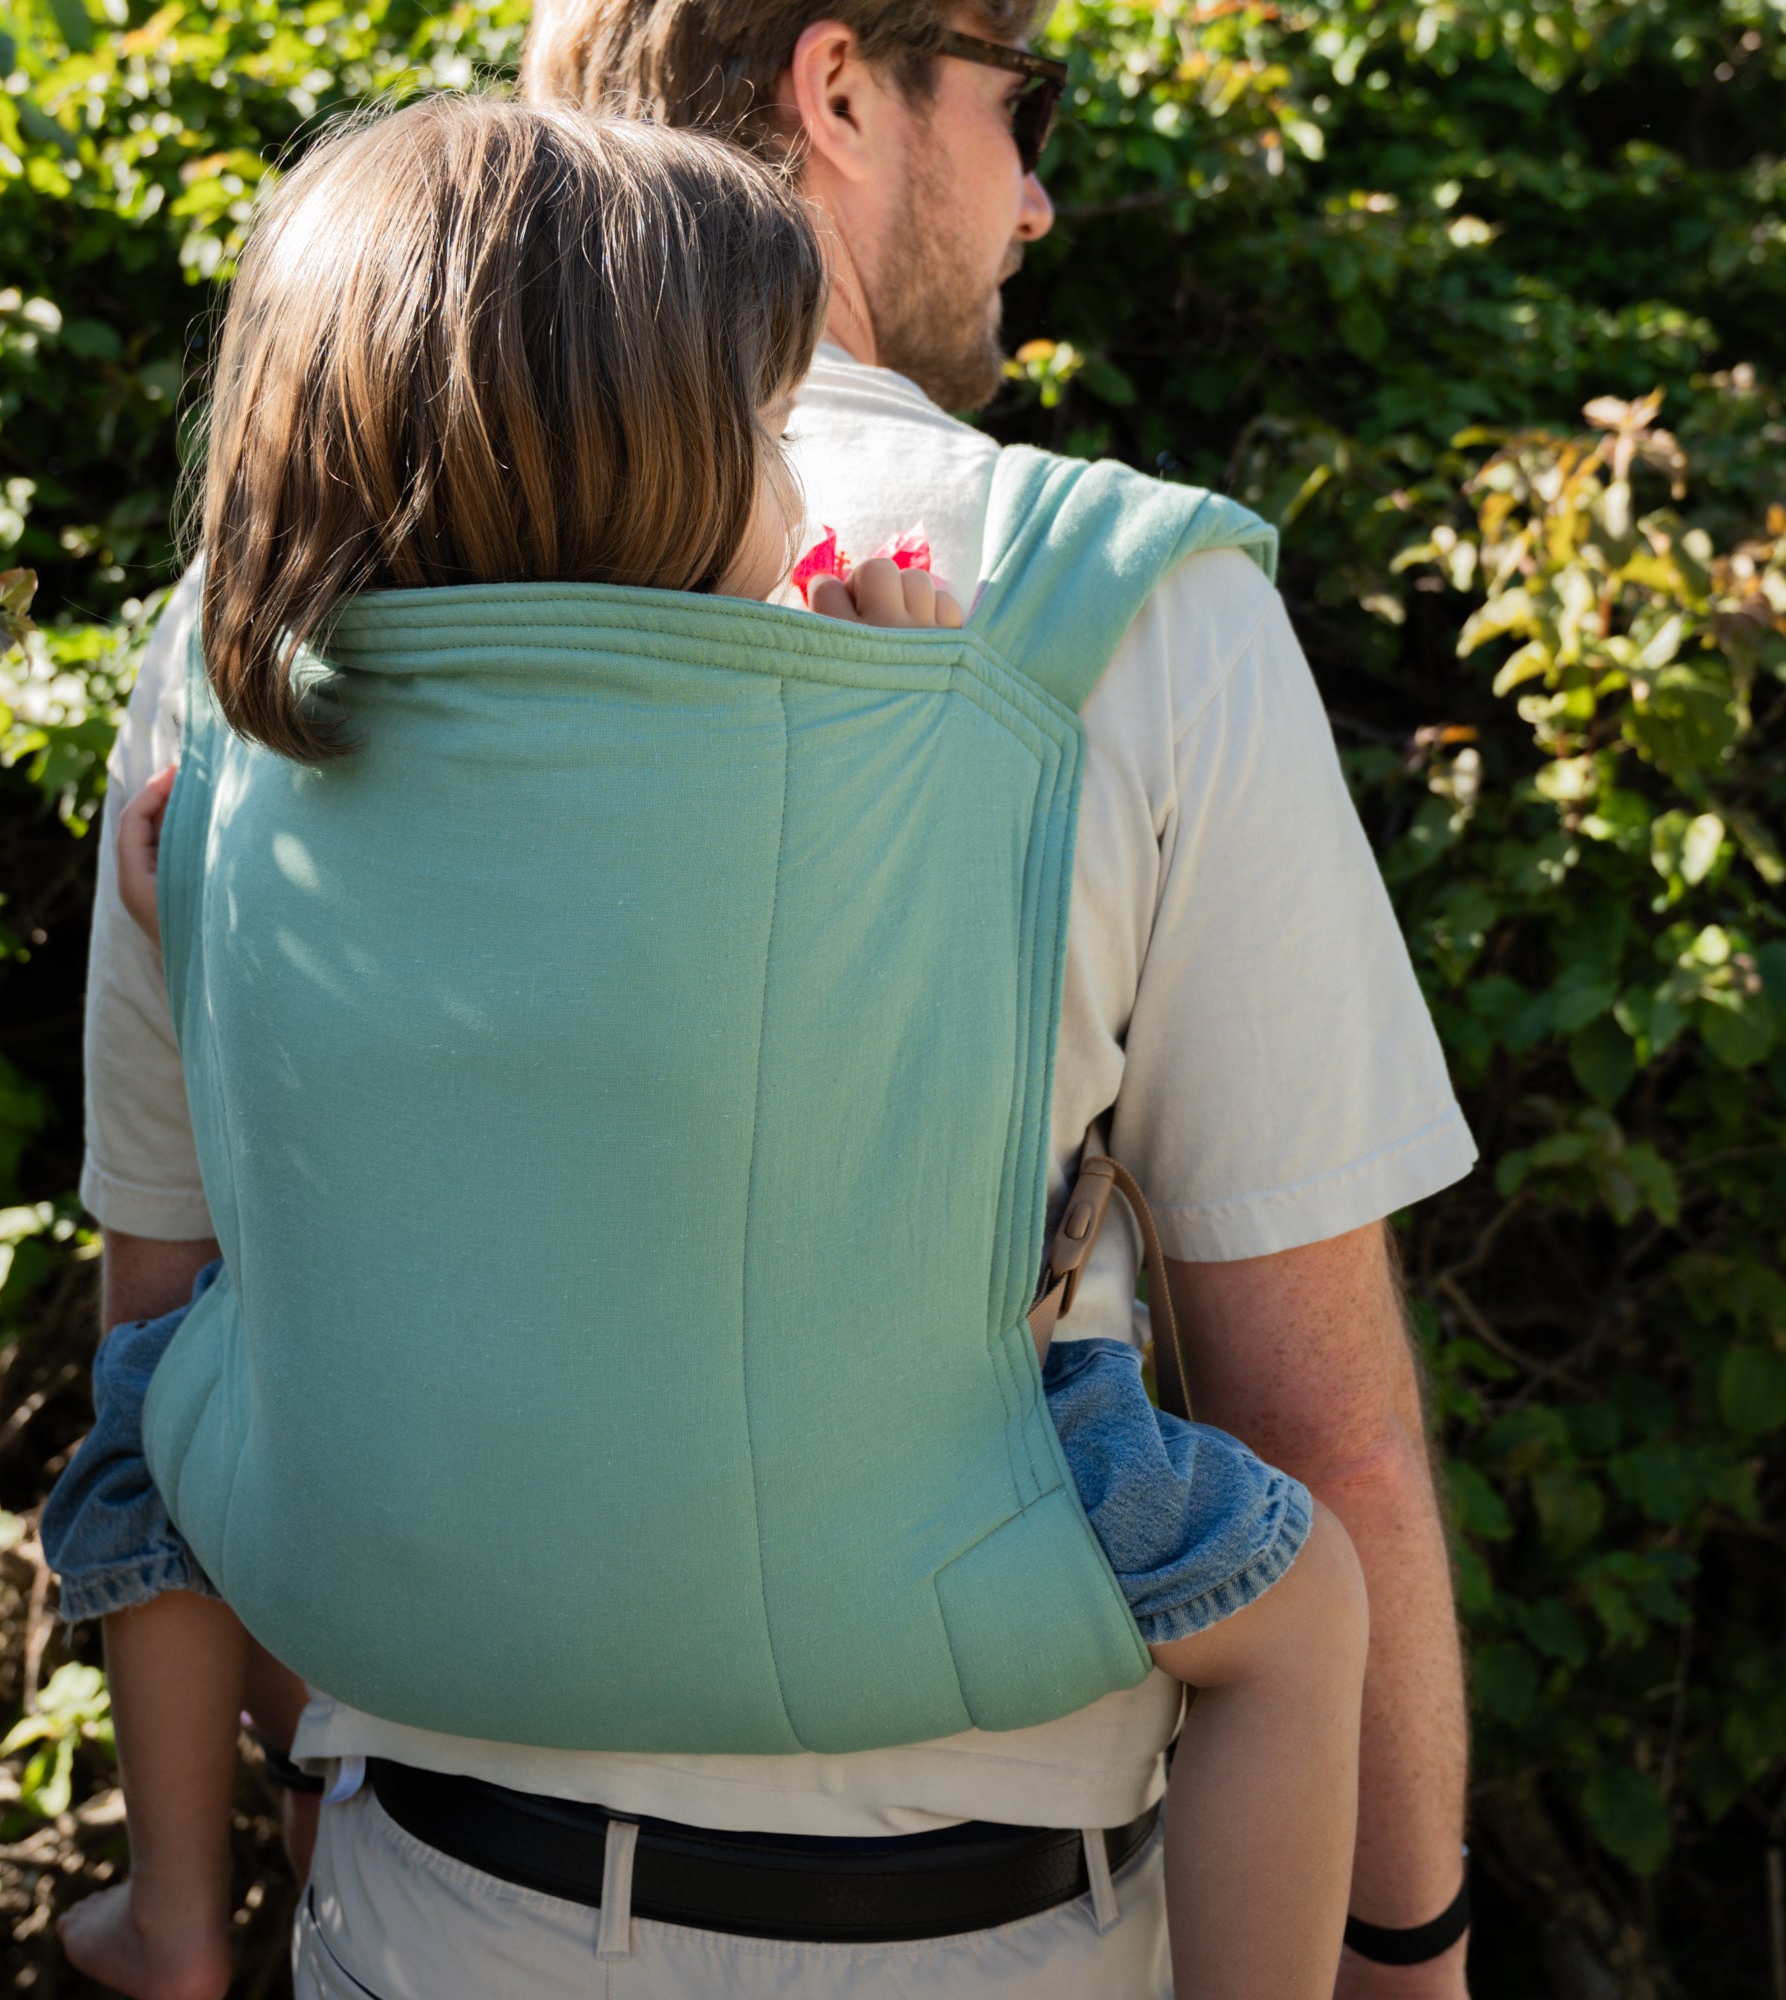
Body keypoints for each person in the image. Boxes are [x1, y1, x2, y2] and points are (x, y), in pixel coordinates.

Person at [80, 11, 1478, 1999]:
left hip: (424, 1899)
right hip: (995, 1928)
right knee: (1289, 1584)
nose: (1038, 192)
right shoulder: (1122, 604)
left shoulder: (237, 656)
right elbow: (1320, 1423)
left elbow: (174, 1284)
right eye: (1024, 106)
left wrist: (314, 1790)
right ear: (835, 89)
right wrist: (1405, 1948)